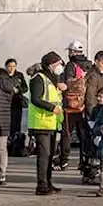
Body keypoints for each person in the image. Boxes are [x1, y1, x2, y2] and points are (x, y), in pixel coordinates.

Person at [28, 52, 66, 195]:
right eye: (58, 64)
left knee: (50, 155)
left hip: (51, 123)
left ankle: (48, 183)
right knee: (44, 155)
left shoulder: (52, 79)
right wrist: (52, 108)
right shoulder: (38, 79)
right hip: (41, 123)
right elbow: (36, 99)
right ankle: (42, 185)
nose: (60, 67)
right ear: (50, 65)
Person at [58, 40, 90, 170]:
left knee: (67, 133)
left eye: (70, 51)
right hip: (84, 105)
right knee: (83, 134)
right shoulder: (89, 65)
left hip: (71, 106)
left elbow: (68, 84)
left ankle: (63, 160)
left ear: (73, 52)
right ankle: (84, 160)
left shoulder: (71, 65)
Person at [4, 58, 28, 137]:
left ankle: (15, 140)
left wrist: (19, 90)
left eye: (13, 66)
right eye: (10, 66)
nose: (11, 68)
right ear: (6, 67)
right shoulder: (3, 76)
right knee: (7, 124)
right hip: (6, 103)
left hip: (17, 103)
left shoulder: (19, 75)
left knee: (16, 123)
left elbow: (25, 88)